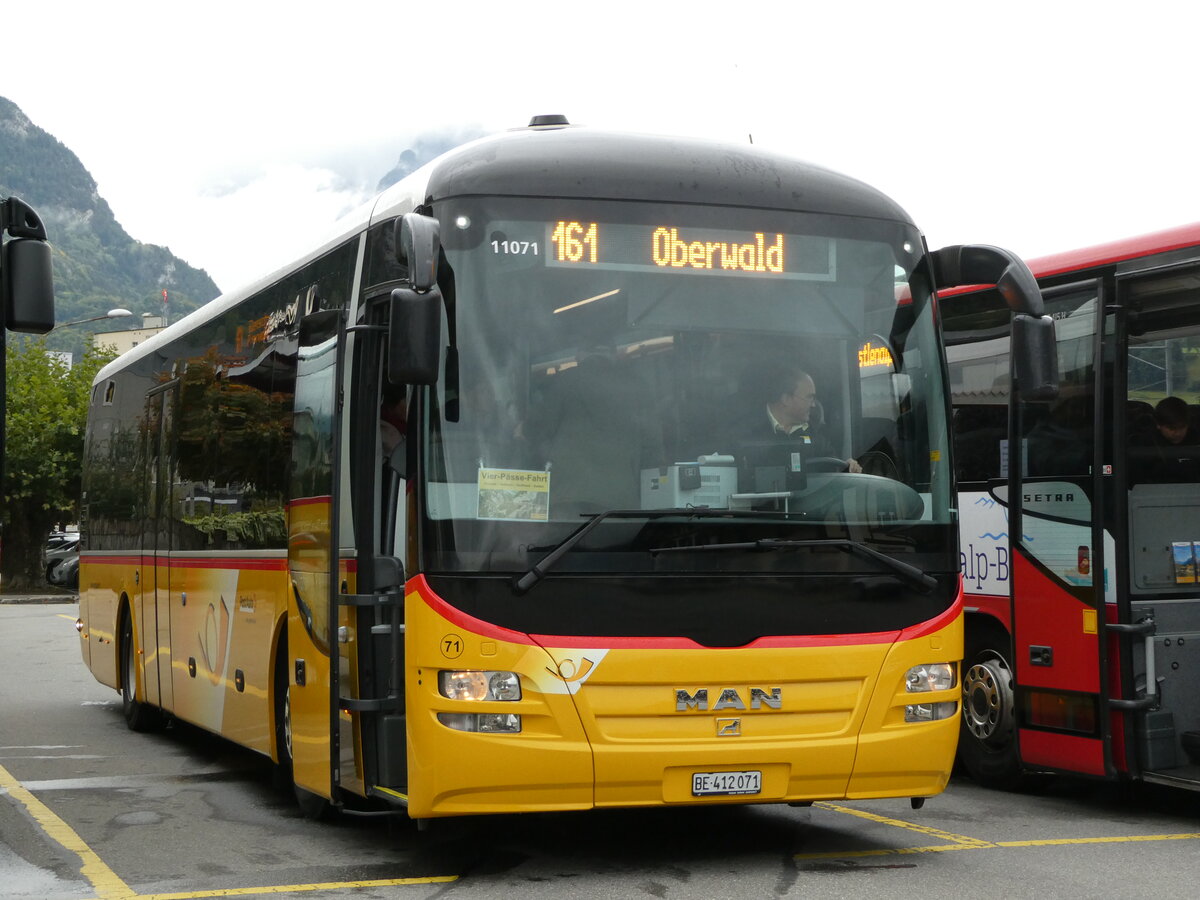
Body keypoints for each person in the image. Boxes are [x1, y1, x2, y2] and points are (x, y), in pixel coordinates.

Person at [738, 363, 862, 473]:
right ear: (786, 399)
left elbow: (833, 467)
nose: (813, 404)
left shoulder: (814, 435)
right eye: (809, 397)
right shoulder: (746, 430)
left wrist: (848, 467)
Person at [1129, 396, 1200, 482]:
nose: (1177, 433)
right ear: (1158, 424)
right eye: (1171, 428)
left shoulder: (1196, 440)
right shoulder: (1144, 446)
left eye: (1182, 427)